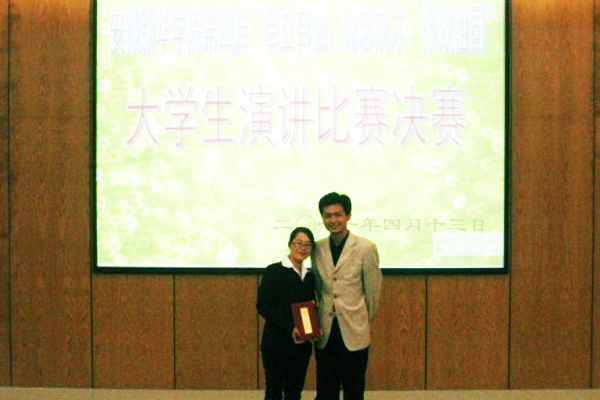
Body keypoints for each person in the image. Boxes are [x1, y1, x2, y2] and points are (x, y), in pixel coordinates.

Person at [312, 192, 382, 400]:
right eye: (328, 216)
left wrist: (362, 319)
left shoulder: (365, 248)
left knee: (354, 390)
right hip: (325, 331)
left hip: (354, 328)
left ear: (348, 216)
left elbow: (373, 293)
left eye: (338, 215)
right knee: (326, 391)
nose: (333, 220)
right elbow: (317, 289)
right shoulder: (317, 248)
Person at [257, 227, 318, 400]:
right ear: (290, 244)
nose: (303, 248)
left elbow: (311, 307)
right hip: (276, 343)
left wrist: (315, 328)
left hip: (301, 345)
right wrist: (290, 328)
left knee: (294, 392)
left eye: (307, 245)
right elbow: (263, 305)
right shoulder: (274, 271)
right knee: (274, 391)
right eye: (299, 243)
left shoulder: (309, 276)